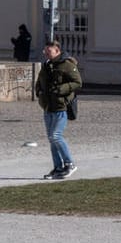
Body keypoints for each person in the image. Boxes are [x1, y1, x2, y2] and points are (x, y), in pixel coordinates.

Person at [33, 39, 82, 179]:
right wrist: (39, 92)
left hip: (61, 106)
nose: (46, 54)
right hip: (48, 107)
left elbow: (78, 82)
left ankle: (69, 164)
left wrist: (61, 89)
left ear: (57, 51)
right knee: (51, 138)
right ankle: (58, 167)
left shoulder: (67, 65)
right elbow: (39, 81)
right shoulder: (47, 65)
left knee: (56, 136)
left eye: (49, 51)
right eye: (45, 51)